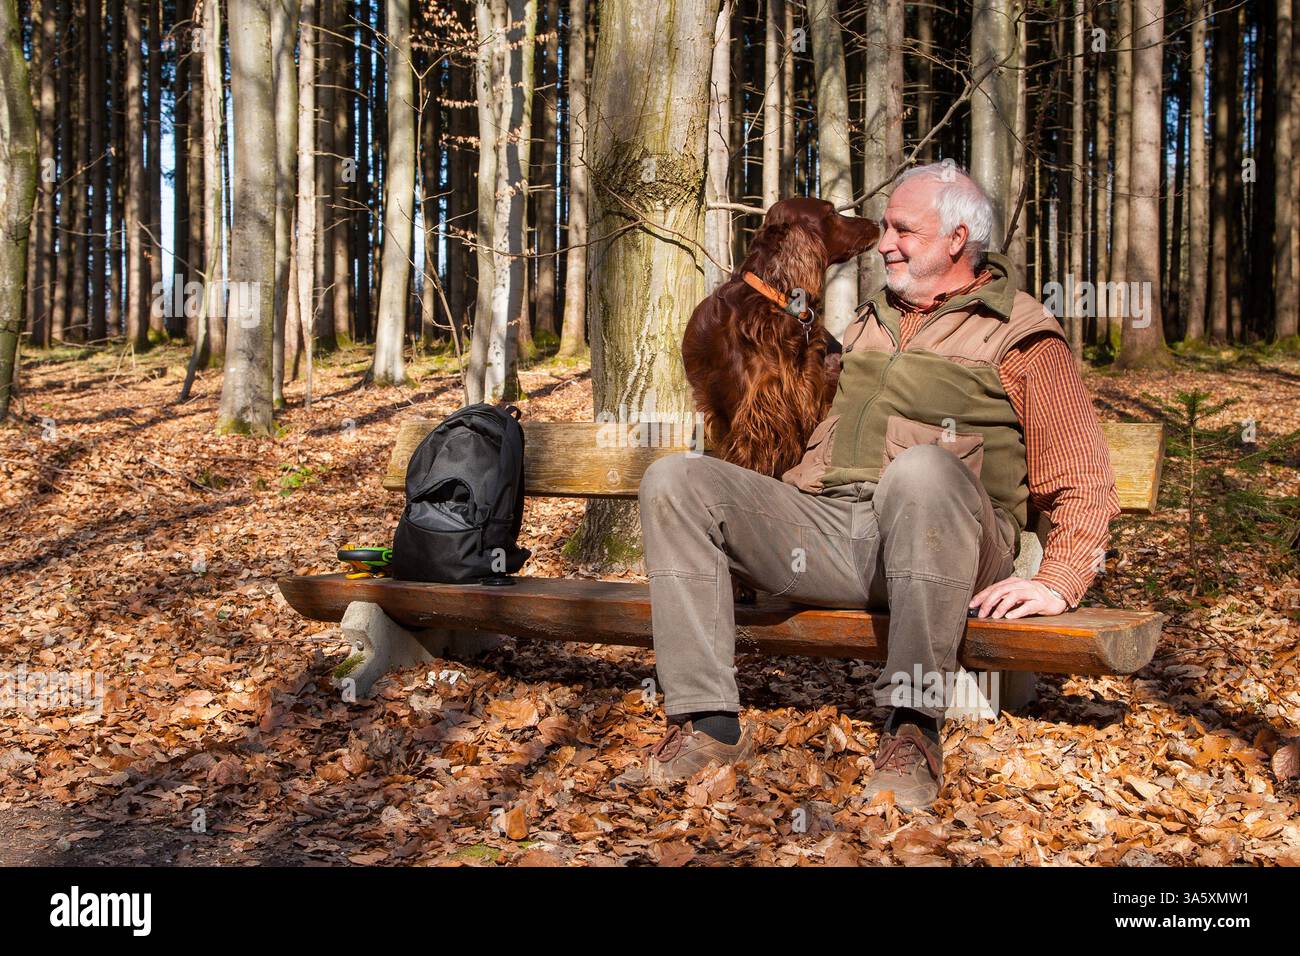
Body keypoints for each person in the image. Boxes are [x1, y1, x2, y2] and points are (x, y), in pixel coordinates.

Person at [637, 162, 1120, 810]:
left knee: (921, 469)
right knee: (676, 477)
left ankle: (912, 730)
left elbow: (1084, 477)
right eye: (885, 227)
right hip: (835, 532)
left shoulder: (1022, 334)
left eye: (902, 229)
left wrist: (1057, 581)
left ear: (956, 238)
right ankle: (708, 723)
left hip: (952, 545)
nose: (884, 241)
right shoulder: (861, 326)